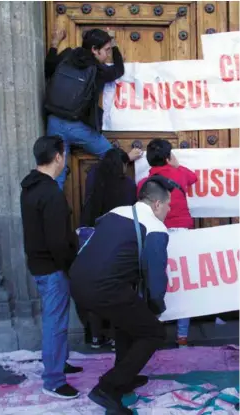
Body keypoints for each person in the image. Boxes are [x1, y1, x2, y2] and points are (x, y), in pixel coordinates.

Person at [69, 176, 174, 414]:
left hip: (77, 280)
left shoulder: (116, 212)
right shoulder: (156, 228)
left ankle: (124, 375)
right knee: (153, 332)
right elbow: (156, 280)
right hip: (104, 288)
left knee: (126, 321)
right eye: (168, 205)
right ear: (157, 204)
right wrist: (156, 308)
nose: (169, 210)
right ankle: (109, 387)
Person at [20, 135, 82, 400]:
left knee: (54, 319)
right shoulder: (51, 193)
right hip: (53, 268)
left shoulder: (30, 187)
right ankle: (54, 380)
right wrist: (70, 264)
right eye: (64, 155)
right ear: (58, 156)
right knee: (55, 323)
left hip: (39, 264)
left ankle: (59, 362)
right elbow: (57, 241)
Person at [45, 27, 141, 189]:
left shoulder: (68, 55)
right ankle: (127, 157)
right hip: (78, 127)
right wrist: (116, 44)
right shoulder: (97, 70)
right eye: (107, 50)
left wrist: (55, 43)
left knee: (57, 177)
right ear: (94, 50)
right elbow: (118, 70)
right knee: (111, 155)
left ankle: (53, 213)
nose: (108, 54)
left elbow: (48, 68)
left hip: (53, 123)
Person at [137, 138, 198, 348]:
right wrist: (177, 165)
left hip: (157, 235)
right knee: (185, 283)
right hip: (183, 232)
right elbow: (194, 177)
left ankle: (154, 332)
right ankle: (182, 336)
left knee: (155, 281)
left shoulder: (144, 184)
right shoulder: (180, 174)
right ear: (168, 157)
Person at [79, 148, 138, 350]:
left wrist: (123, 157)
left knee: (97, 289)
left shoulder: (94, 180)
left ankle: (96, 336)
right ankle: (116, 337)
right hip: (119, 243)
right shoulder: (128, 186)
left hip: (95, 241)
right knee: (118, 289)